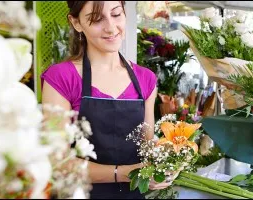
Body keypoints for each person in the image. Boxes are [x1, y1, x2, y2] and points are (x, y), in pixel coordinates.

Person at [41, 1, 179, 199]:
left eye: (116, 15)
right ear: (76, 23)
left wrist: (168, 158)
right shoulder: (61, 77)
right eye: (97, 19)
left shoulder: (145, 79)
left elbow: (146, 145)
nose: (111, 28)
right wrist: (124, 173)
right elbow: (58, 163)